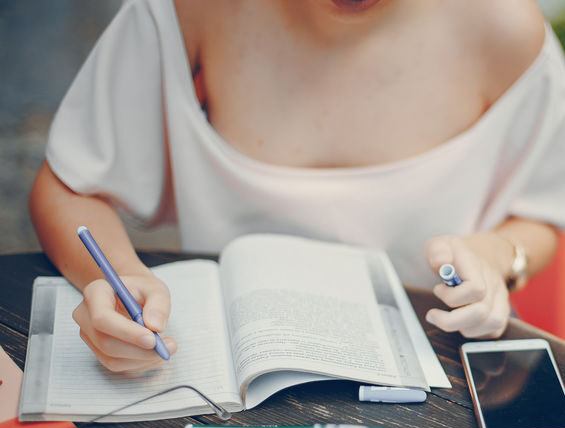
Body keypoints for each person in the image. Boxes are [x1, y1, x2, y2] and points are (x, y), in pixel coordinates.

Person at [29, 0, 565, 373]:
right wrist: (120, 280)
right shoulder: (188, 10)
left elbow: (541, 213)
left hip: (432, 372)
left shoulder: (505, 30)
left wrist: (493, 255)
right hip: (213, 366)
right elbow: (67, 187)